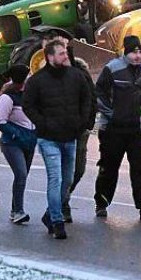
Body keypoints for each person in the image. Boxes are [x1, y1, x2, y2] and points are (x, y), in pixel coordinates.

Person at [22, 40, 92, 240]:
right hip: (48, 139)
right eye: (61, 54)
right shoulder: (37, 81)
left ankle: (50, 214)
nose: (65, 57)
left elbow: (86, 97)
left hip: (70, 137)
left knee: (68, 180)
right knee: (56, 179)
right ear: (49, 57)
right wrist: (42, 124)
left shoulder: (75, 76)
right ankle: (57, 220)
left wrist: (82, 121)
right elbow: (28, 105)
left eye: (65, 53)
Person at [94, 35, 141, 221]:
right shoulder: (112, 68)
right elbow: (99, 94)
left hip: (137, 129)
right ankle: (101, 203)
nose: (137, 56)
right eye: (133, 52)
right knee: (108, 167)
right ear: (125, 52)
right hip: (112, 129)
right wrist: (113, 114)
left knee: (140, 168)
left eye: (139, 52)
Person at [0, 64, 37, 225]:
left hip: (30, 141)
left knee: (23, 176)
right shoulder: (8, 97)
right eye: (28, 75)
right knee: (21, 174)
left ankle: (15, 210)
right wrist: (16, 134)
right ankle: (17, 211)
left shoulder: (30, 95)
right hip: (12, 143)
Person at [62, 54, 97, 224]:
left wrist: (88, 122)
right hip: (63, 130)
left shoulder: (82, 74)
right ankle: (62, 204)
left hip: (81, 130)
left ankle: (64, 197)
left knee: (79, 169)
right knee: (64, 171)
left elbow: (92, 98)